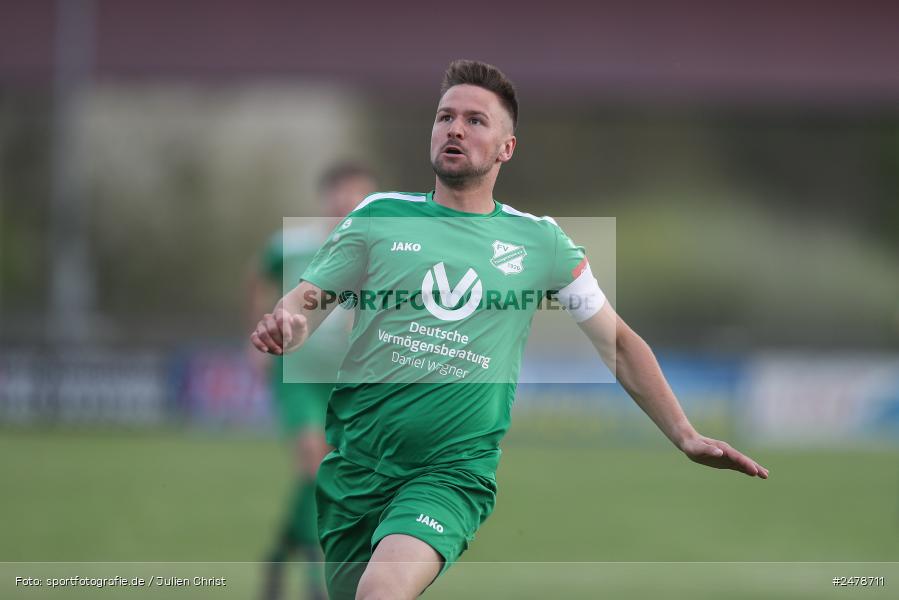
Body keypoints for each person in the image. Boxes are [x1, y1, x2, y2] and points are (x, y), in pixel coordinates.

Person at [250, 60, 769, 600]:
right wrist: (289, 325)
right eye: (444, 116)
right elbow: (306, 303)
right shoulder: (379, 215)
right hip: (356, 470)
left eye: (475, 120)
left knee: (381, 593)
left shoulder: (539, 242)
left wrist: (685, 434)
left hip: (450, 473)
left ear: (507, 148)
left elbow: (616, 342)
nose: (454, 128)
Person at [248, 162, 377, 600]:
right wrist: (257, 337)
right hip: (296, 374)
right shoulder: (291, 246)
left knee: (326, 469)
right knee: (311, 456)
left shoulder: (378, 251)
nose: (346, 205)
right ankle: (315, 564)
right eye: (339, 196)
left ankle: (283, 549)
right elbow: (259, 281)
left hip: (344, 379)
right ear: (326, 199)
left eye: (356, 197)